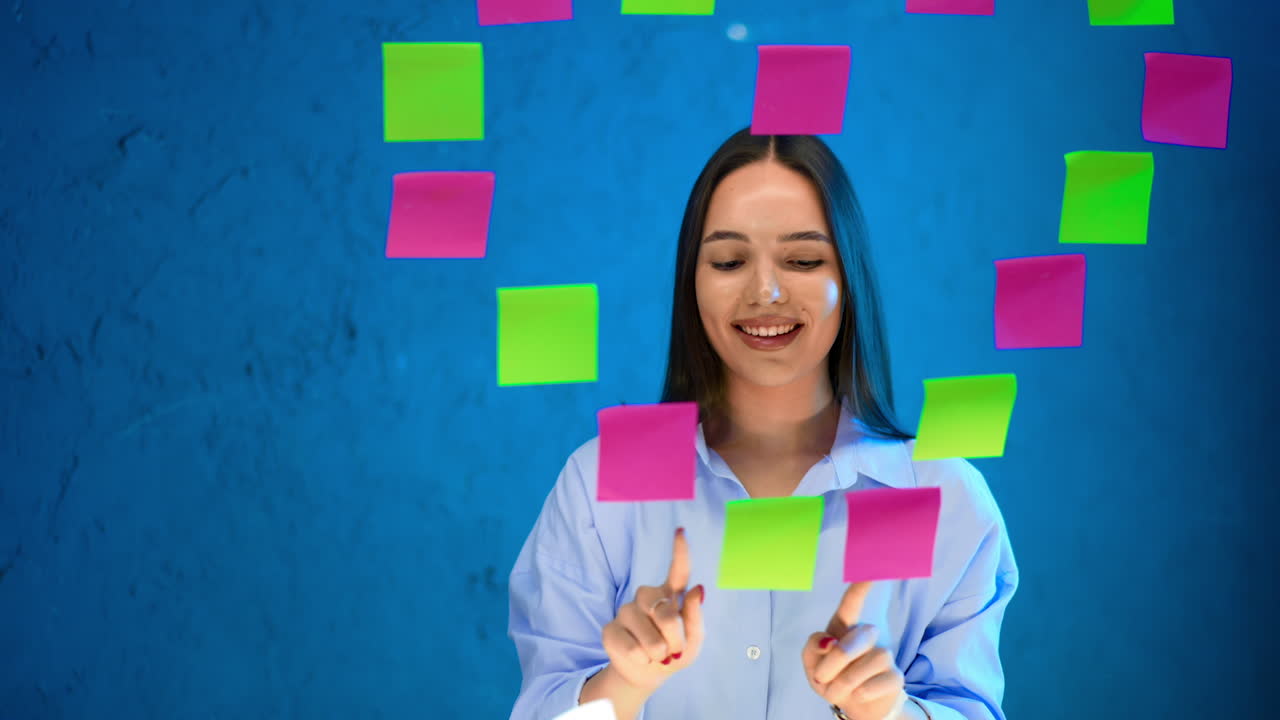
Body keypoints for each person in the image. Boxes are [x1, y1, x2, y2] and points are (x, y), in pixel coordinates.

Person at [506, 128, 1018, 720]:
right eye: (728, 260)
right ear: (691, 282)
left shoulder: (944, 495)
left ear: (849, 278)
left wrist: (887, 713)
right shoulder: (600, 480)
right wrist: (626, 683)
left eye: (803, 260)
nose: (765, 291)